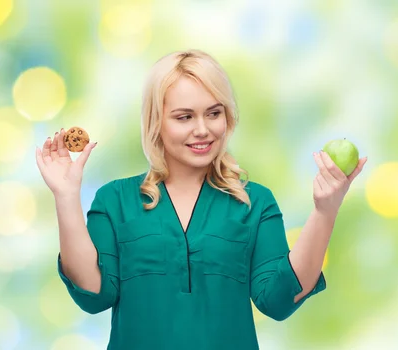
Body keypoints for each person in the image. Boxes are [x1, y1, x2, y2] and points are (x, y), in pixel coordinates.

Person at [35, 49, 367, 350]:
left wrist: (325, 211)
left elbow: (279, 301)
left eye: (213, 113)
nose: (203, 130)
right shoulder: (115, 200)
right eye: (184, 117)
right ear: (156, 122)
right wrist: (66, 197)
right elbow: (94, 294)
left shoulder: (255, 203)